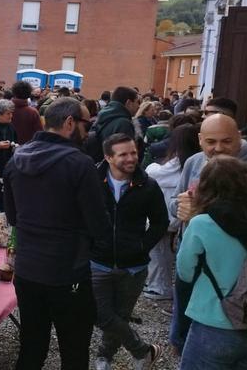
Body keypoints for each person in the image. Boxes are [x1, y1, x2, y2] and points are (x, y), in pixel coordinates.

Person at [3, 97, 111, 369]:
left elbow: (13, 217)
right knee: (74, 352)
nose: (88, 132)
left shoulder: (16, 159)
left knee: (31, 346)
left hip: (28, 271)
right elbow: (100, 226)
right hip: (68, 274)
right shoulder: (80, 163)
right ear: (70, 123)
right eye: (86, 124)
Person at [169, 113, 247, 351]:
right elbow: (175, 202)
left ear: (239, 138)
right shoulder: (193, 162)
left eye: (226, 141)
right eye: (211, 142)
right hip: (191, 254)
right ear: (200, 140)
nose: (218, 148)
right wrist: (180, 207)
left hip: (231, 268)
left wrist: (200, 214)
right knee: (185, 317)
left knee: (221, 325)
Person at [91, 134, 168, 370]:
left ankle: (105, 356)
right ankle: (143, 350)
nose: (131, 158)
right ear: (108, 157)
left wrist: (141, 246)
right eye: (123, 154)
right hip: (98, 262)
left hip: (133, 267)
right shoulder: (93, 181)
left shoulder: (148, 185)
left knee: (121, 316)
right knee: (101, 314)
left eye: (133, 152)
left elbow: (159, 222)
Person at [143, 123, 201, 301]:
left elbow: (154, 172)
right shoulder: (196, 162)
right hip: (182, 215)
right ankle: (160, 284)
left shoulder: (178, 163)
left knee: (159, 252)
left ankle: (160, 286)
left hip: (168, 214)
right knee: (166, 252)